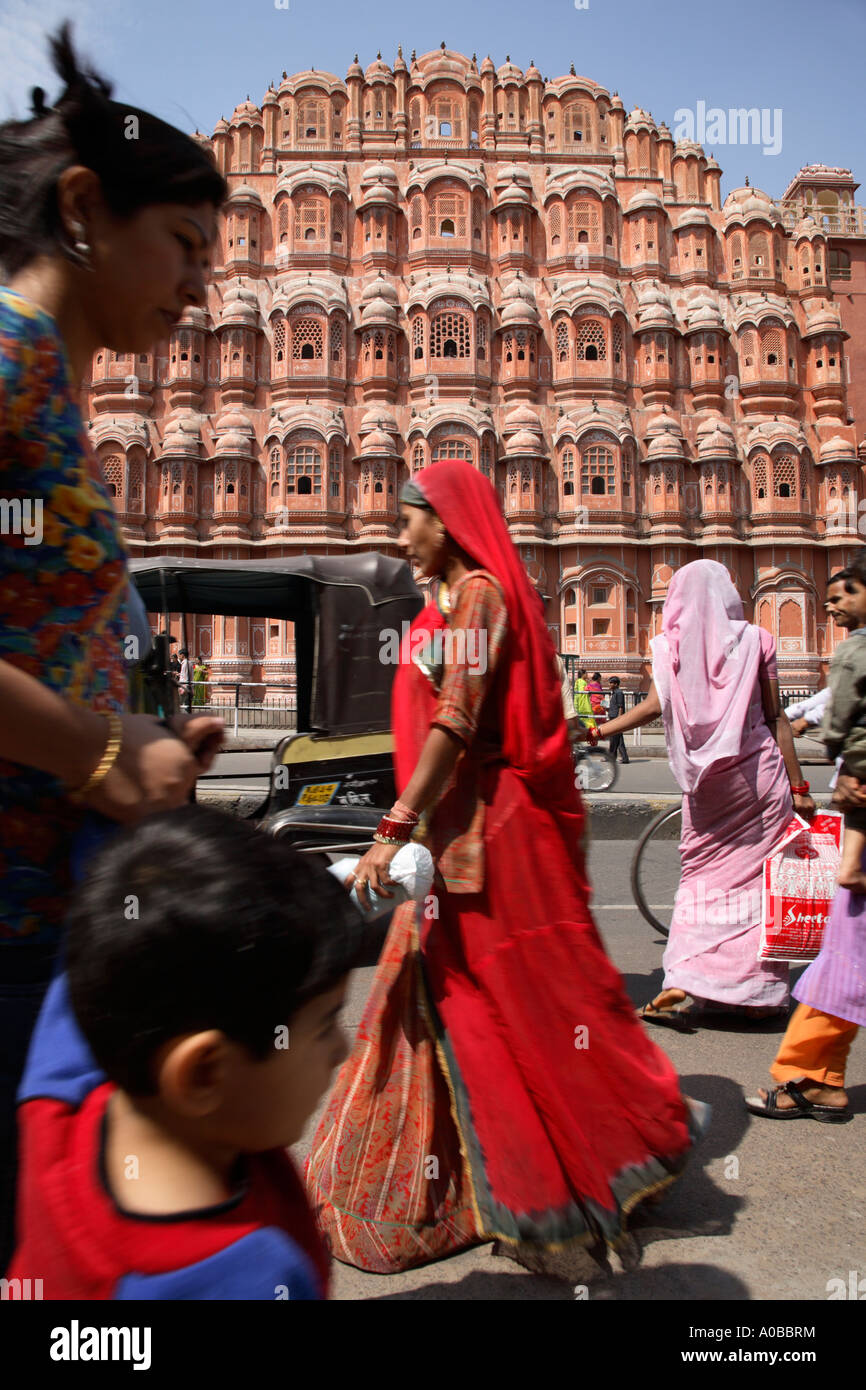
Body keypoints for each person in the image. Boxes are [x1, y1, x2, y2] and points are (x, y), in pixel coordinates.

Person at [306, 460, 706, 1278]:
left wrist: (392, 827)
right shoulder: (443, 604)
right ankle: (494, 1183)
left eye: (410, 519)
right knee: (466, 1001)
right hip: (459, 835)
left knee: (520, 1006)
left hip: (494, 835)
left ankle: (560, 1200)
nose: (401, 536)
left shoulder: (481, 594)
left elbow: (456, 719)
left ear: (445, 519)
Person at [0, 22, 227, 1270]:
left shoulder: (51, 386)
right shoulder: (4, 363)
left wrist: (143, 746)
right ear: (86, 205)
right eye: (184, 245)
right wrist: (97, 753)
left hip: (49, 911)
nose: (201, 288)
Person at [7, 806, 368, 1297]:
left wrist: (134, 783)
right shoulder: (249, 1278)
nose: (341, 1049)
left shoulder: (56, 1107)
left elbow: (102, 930)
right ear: (204, 1073)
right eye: (325, 1024)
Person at [578, 559, 815, 1028]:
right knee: (754, 886)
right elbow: (776, 719)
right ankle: (751, 993)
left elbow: (652, 706)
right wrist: (800, 786)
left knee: (701, 880)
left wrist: (595, 732)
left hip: (708, 787)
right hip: (760, 780)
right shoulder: (757, 640)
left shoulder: (670, 647)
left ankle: (684, 982)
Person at [745, 569, 866, 1122]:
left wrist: (855, 848)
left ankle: (813, 1076)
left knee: (846, 951)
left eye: (847, 594)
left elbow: (842, 727)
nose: (832, 605)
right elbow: (819, 707)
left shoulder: (853, 655)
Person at [817, 555, 866, 891]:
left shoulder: (852, 649)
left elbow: (840, 709)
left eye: (839, 598)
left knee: (854, 809)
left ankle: (849, 867)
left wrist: (836, 752)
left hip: (859, 752)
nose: (831, 607)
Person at [606, 676, 630, 764]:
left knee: (614, 739)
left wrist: (619, 719)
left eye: (611, 683)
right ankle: (624, 758)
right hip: (613, 717)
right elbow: (615, 706)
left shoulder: (619, 693)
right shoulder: (614, 693)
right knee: (618, 739)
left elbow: (620, 707)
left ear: (616, 684)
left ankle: (612, 757)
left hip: (616, 718)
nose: (609, 684)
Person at [178, 648, 193, 714]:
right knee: (186, 706)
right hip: (187, 687)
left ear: (182, 655)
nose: (178, 656)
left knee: (182, 706)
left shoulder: (185, 664)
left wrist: (183, 688)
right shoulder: (188, 663)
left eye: (179, 655)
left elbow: (186, 677)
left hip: (185, 688)